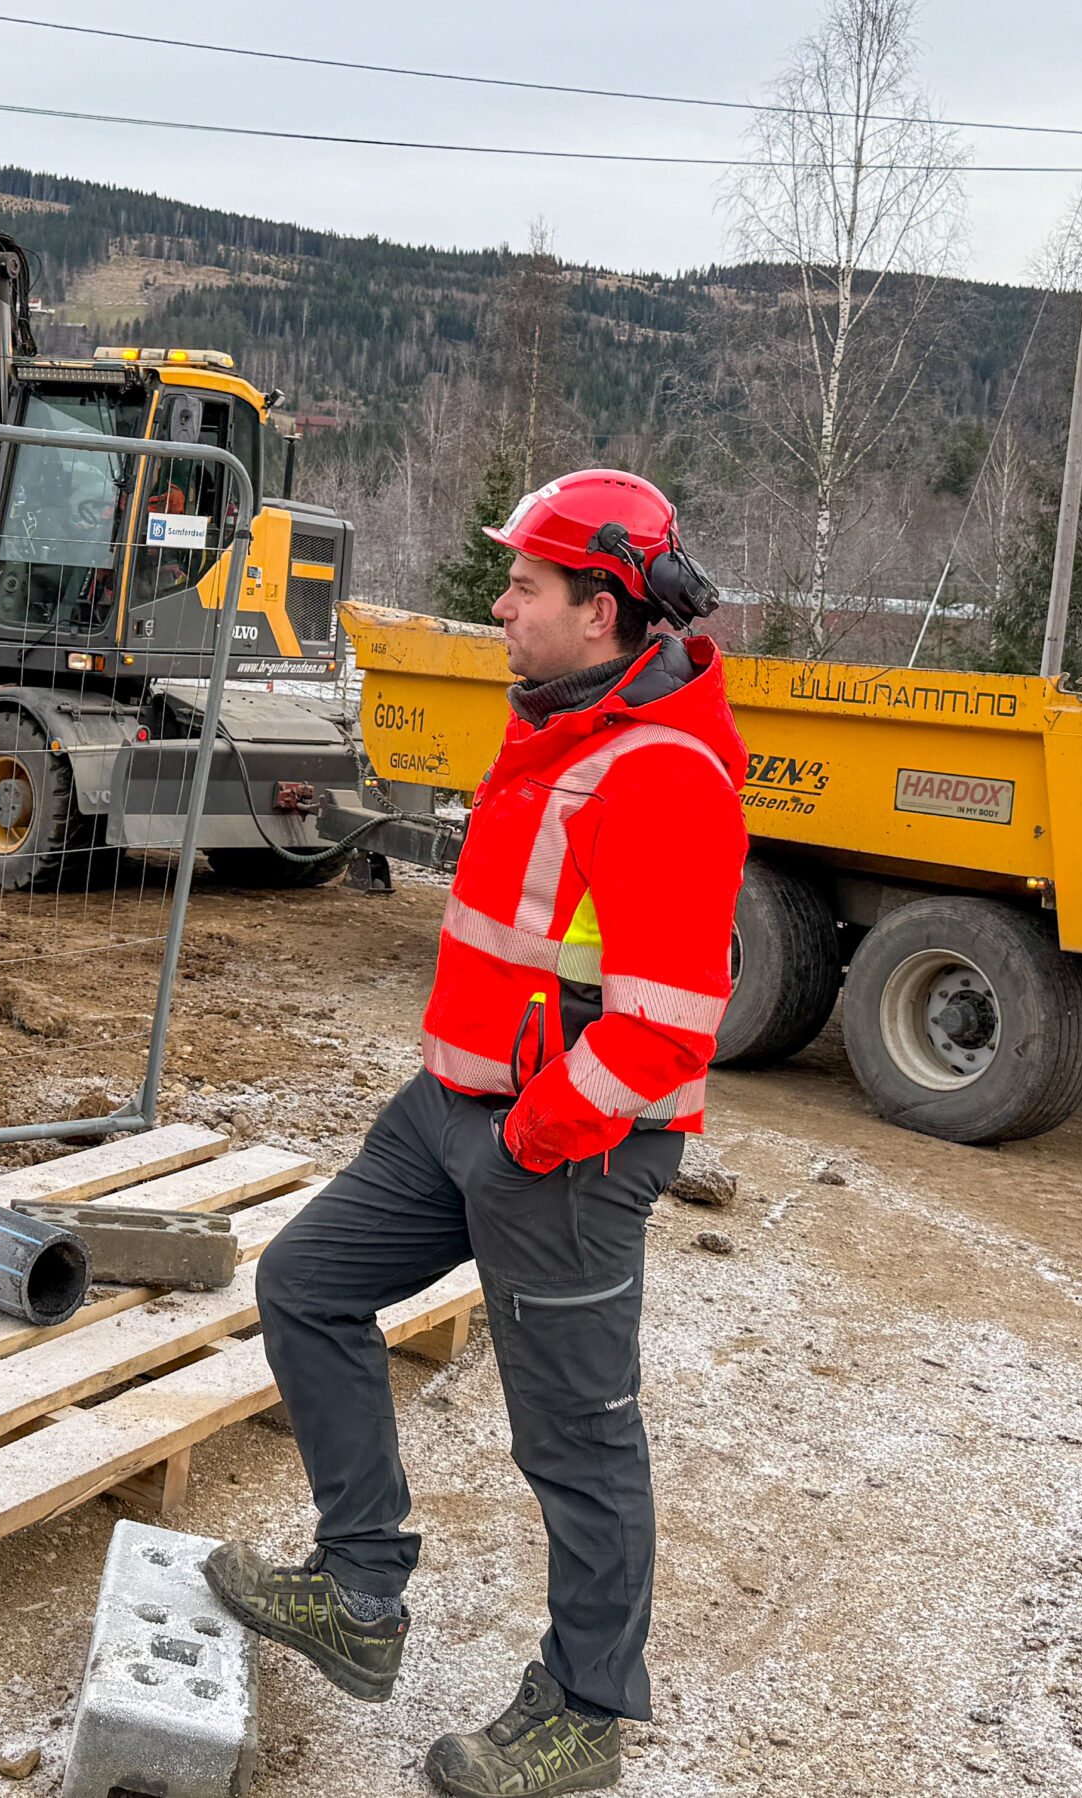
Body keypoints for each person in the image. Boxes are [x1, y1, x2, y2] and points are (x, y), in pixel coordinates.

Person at [200, 469, 745, 1796]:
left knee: (577, 1434)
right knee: (309, 1284)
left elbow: (667, 1024)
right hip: (450, 1112)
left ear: (603, 613)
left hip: (568, 1149)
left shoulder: (661, 771)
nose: (499, 603)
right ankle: (363, 1591)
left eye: (525, 586)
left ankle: (584, 1708)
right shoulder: (560, 726)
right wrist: (469, 1106)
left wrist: (535, 1136)